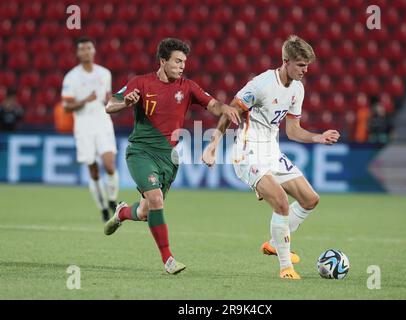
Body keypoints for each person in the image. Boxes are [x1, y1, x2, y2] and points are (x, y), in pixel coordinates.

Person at [202, 35, 340, 280]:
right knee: (281, 202)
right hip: (248, 151)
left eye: (307, 65)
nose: (305, 70)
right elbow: (230, 111)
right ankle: (286, 268)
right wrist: (213, 146)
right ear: (285, 61)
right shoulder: (262, 84)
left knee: (310, 199)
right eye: (300, 65)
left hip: (271, 151)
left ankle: (276, 243)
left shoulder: (298, 88)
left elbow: (293, 130)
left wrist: (318, 137)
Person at [103, 38, 240, 275]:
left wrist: (225, 109)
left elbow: (213, 104)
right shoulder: (141, 82)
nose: (182, 66)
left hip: (168, 158)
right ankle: (168, 259)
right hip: (141, 151)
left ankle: (122, 212)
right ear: (163, 60)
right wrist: (125, 103)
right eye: (177, 61)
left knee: (147, 211)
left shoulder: (187, 87)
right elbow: (109, 105)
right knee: (156, 200)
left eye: (184, 61)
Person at [61, 37, 119, 222]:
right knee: (93, 171)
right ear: (78, 53)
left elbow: (108, 98)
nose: (86, 51)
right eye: (82, 49)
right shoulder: (72, 77)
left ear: (94, 51)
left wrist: (112, 102)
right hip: (84, 126)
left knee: (109, 165)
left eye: (89, 48)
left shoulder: (104, 74)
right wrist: (86, 100)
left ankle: (112, 200)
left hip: (103, 122)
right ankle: (102, 208)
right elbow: (66, 107)